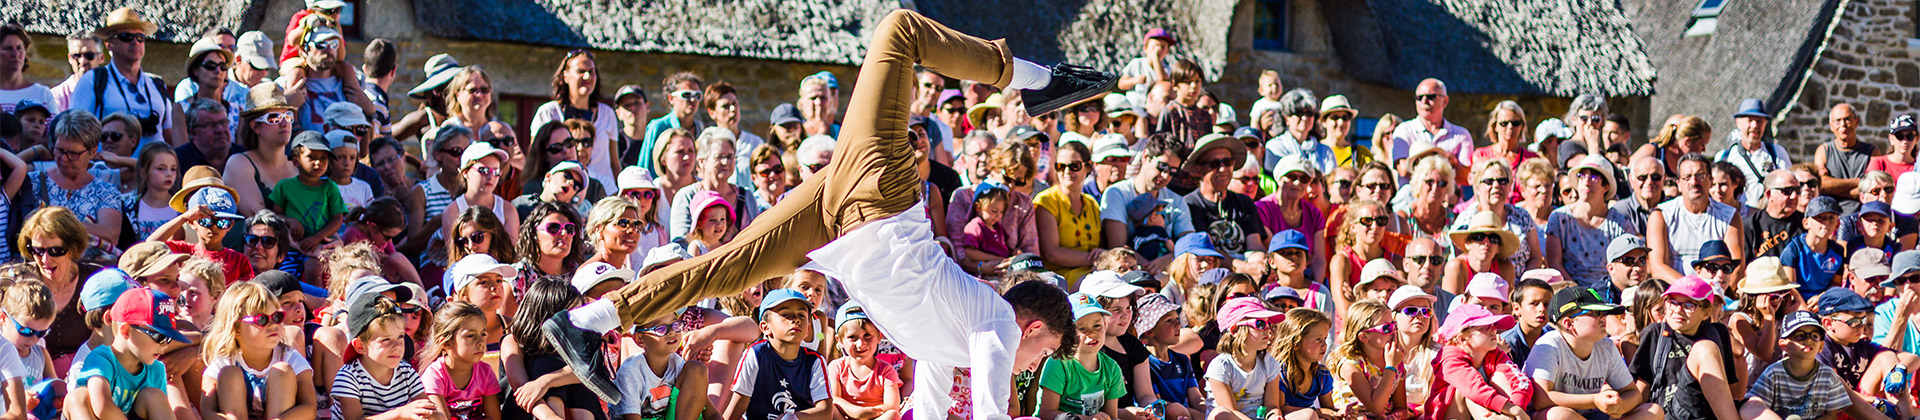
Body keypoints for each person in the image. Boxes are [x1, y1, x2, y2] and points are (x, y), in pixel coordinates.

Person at [542, 12, 1108, 420]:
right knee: (899, 30)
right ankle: (1041, 81)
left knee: (724, 269)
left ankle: (586, 322)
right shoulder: (998, 324)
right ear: (1031, 327)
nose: (1032, 366)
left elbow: (934, 409)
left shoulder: (949, 343)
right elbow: (988, 412)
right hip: (883, 195)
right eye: (1043, 352)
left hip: (837, 221)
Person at [1522, 287, 1651, 420]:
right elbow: (1541, 399)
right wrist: (1595, 400)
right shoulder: (1550, 345)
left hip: (1590, 415)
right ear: (1569, 323)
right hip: (1546, 415)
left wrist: (1620, 406)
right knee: (1559, 416)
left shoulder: (1606, 346)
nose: (1604, 318)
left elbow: (1633, 393)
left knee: (1652, 410)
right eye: (1595, 312)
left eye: (1604, 313)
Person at [200, 281, 320, 420]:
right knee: (228, 373)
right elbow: (208, 411)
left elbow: (309, 407)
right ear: (236, 329)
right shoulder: (225, 361)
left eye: (277, 317)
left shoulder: (289, 357)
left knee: (282, 371)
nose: (273, 325)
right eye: (262, 320)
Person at [1630, 276, 1744, 420]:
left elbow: (1729, 389)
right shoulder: (1655, 333)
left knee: (1754, 405)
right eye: (1672, 302)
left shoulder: (1717, 334)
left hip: (1709, 411)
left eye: (1689, 305)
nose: (1678, 310)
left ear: (1706, 313)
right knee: (1705, 348)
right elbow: (1643, 385)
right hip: (1673, 412)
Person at [73, 288, 189, 420]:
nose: (165, 345)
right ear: (126, 331)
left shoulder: (156, 369)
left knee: (154, 396)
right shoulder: (101, 359)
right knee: (77, 398)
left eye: (169, 338)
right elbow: (102, 407)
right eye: (159, 337)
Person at [67, 9, 177, 146]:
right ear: (109, 44)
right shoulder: (93, 81)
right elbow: (76, 134)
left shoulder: (156, 84)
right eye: (126, 37)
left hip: (153, 166)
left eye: (140, 38)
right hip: (110, 167)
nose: (135, 42)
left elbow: (171, 136)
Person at [331, 291, 436, 420]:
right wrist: (400, 414)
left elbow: (428, 409)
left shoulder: (406, 371)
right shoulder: (349, 377)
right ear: (360, 346)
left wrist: (434, 416)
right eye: (386, 340)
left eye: (400, 336)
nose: (397, 346)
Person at [147, 168, 257, 284]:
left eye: (222, 222)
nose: (214, 227)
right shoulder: (183, 251)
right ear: (192, 223)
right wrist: (183, 217)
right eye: (205, 221)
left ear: (231, 225)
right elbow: (151, 244)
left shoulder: (239, 261)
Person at [1424, 304, 1533, 420]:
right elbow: (1474, 388)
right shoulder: (1449, 358)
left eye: (1493, 325)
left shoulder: (1494, 353)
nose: (1494, 330)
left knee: (1501, 377)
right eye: (1484, 327)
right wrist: (1512, 409)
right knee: (1465, 390)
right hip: (1451, 416)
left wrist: (1517, 409)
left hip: (1493, 412)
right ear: (1462, 339)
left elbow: (1521, 382)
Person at [532, 50, 622, 188]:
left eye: (591, 72)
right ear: (565, 76)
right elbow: (534, 159)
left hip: (603, 191)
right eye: (581, 71)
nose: (587, 76)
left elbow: (615, 163)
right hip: (562, 190)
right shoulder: (548, 113)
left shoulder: (607, 114)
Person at [1741, 311, 1855, 420]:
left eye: (1814, 336)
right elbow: (1756, 407)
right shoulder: (1773, 374)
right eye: (1800, 336)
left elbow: (1831, 415)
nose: (1808, 340)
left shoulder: (1828, 375)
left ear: (1821, 346)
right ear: (1783, 345)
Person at [1650, 154, 1746, 280]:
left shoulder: (1730, 216)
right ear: (1679, 183)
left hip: (1717, 293)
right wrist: (1693, 291)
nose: (1694, 182)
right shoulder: (1661, 215)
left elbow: (1736, 268)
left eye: (1700, 176)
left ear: (1710, 181)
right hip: (1674, 293)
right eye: (1687, 177)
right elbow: (1658, 268)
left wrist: (1712, 296)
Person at [1103, 134, 1196, 263]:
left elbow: (1191, 245)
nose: (1165, 176)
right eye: (1162, 166)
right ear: (1146, 156)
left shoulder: (1177, 201)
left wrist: (1167, 260)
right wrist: (1149, 267)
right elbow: (1118, 249)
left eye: (1173, 171)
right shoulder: (1117, 193)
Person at [1546, 156, 1632, 288]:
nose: (1586, 182)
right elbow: (1555, 264)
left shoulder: (1619, 222)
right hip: (1569, 292)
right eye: (1582, 176)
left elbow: (1625, 264)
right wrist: (1578, 291)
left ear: (1606, 187)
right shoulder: (1559, 218)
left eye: (1594, 177)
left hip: (1609, 292)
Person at [1037, 293, 1126, 420]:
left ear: (1105, 326)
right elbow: (1047, 413)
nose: (1092, 333)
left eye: (1097, 326)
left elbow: (1111, 416)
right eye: (1082, 329)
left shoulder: (1112, 368)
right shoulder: (1059, 363)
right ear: (1066, 332)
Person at [1201, 298, 1287, 420]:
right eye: (1260, 324)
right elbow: (1231, 411)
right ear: (1235, 330)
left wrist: (1274, 416)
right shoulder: (1220, 366)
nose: (1268, 329)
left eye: (1269, 324)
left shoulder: (1269, 363)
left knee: (1307, 415)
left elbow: (1272, 406)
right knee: (1220, 413)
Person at [668, 127, 760, 239]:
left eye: (730, 156)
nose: (725, 162)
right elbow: (680, 243)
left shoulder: (745, 197)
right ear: (702, 162)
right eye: (719, 157)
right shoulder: (687, 196)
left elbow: (757, 238)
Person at [1036, 140, 1108, 284]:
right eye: (1061, 166)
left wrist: (1103, 255)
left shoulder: (1091, 203)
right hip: (1060, 276)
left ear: (1088, 167)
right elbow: (1051, 254)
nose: (1067, 172)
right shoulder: (1046, 201)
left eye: (1074, 166)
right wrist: (1096, 259)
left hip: (1095, 271)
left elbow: (1100, 245)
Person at [1328, 300, 1413, 420]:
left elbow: (1400, 407)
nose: (1393, 331)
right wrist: (1390, 367)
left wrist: (1397, 416)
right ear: (1364, 336)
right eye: (1386, 328)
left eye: (1394, 325)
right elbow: (1375, 407)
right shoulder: (1351, 365)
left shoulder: (1394, 359)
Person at [419, 302, 504, 420]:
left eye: (483, 334)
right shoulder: (434, 375)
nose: (480, 342)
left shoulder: (485, 372)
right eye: (470, 336)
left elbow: (494, 418)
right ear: (446, 343)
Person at [1715, 99, 1793, 208]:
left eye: (1759, 121)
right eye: (1750, 120)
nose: (1755, 125)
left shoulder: (1777, 153)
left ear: (1765, 124)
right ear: (1738, 122)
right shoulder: (1725, 157)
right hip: (1738, 215)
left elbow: (1789, 184)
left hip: (1766, 216)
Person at [1257, 157, 1328, 278]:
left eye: (1304, 179)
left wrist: (1315, 289)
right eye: (1291, 177)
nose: (1297, 183)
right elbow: (1276, 252)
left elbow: (1318, 260)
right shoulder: (1262, 208)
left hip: (1305, 276)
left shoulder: (1314, 214)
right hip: (1273, 275)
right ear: (1279, 180)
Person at [1388, 79, 1472, 167]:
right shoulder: (1404, 130)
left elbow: (1466, 175)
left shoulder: (1461, 134)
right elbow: (1402, 169)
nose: (1424, 101)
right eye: (1419, 97)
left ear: (1445, 101)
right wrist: (1442, 158)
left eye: (1431, 97)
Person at [636, 73, 707, 173]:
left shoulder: (700, 128)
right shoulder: (658, 127)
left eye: (697, 95)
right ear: (671, 98)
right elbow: (644, 168)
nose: (692, 99)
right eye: (686, 95)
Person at [1814, 103, 1875, 212]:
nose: (1843, 124)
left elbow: (1872, 190)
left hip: (1862, 216)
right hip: (1832, 216)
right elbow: (1821, 185)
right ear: (1831, 126)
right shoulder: (1824, 150)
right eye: (1837, 121)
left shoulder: (1871, 152)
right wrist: (1858, 182)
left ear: (1856, 122)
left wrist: (1832, 188)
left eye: (1847, 119)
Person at [1260, 89, 1329, 173]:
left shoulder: (1325, 151)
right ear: (1286, 118)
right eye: (1299, 113)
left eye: (1309, 113)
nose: (1304, 118)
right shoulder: (1275, 147)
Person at [1746, 170, 1808, 259]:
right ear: (1769, 194)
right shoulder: (1751, 226)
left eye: (1797, 190)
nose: (1794, 196)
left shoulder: (1806, 223)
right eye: (1787, 191)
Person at [1610, 157, 1667, 236]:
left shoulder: (1675, 209)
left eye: (1655, 177)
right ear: (1631, 180)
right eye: (1642, 177)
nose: (1649, 182)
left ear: (1664, 179)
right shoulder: (1619, 211)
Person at [1503, 279, 1553, 363]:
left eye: (1547, 304)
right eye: (1534, 303)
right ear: (1517, 308)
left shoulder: (1554, 338)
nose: (1542, 309)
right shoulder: (1506, 344)